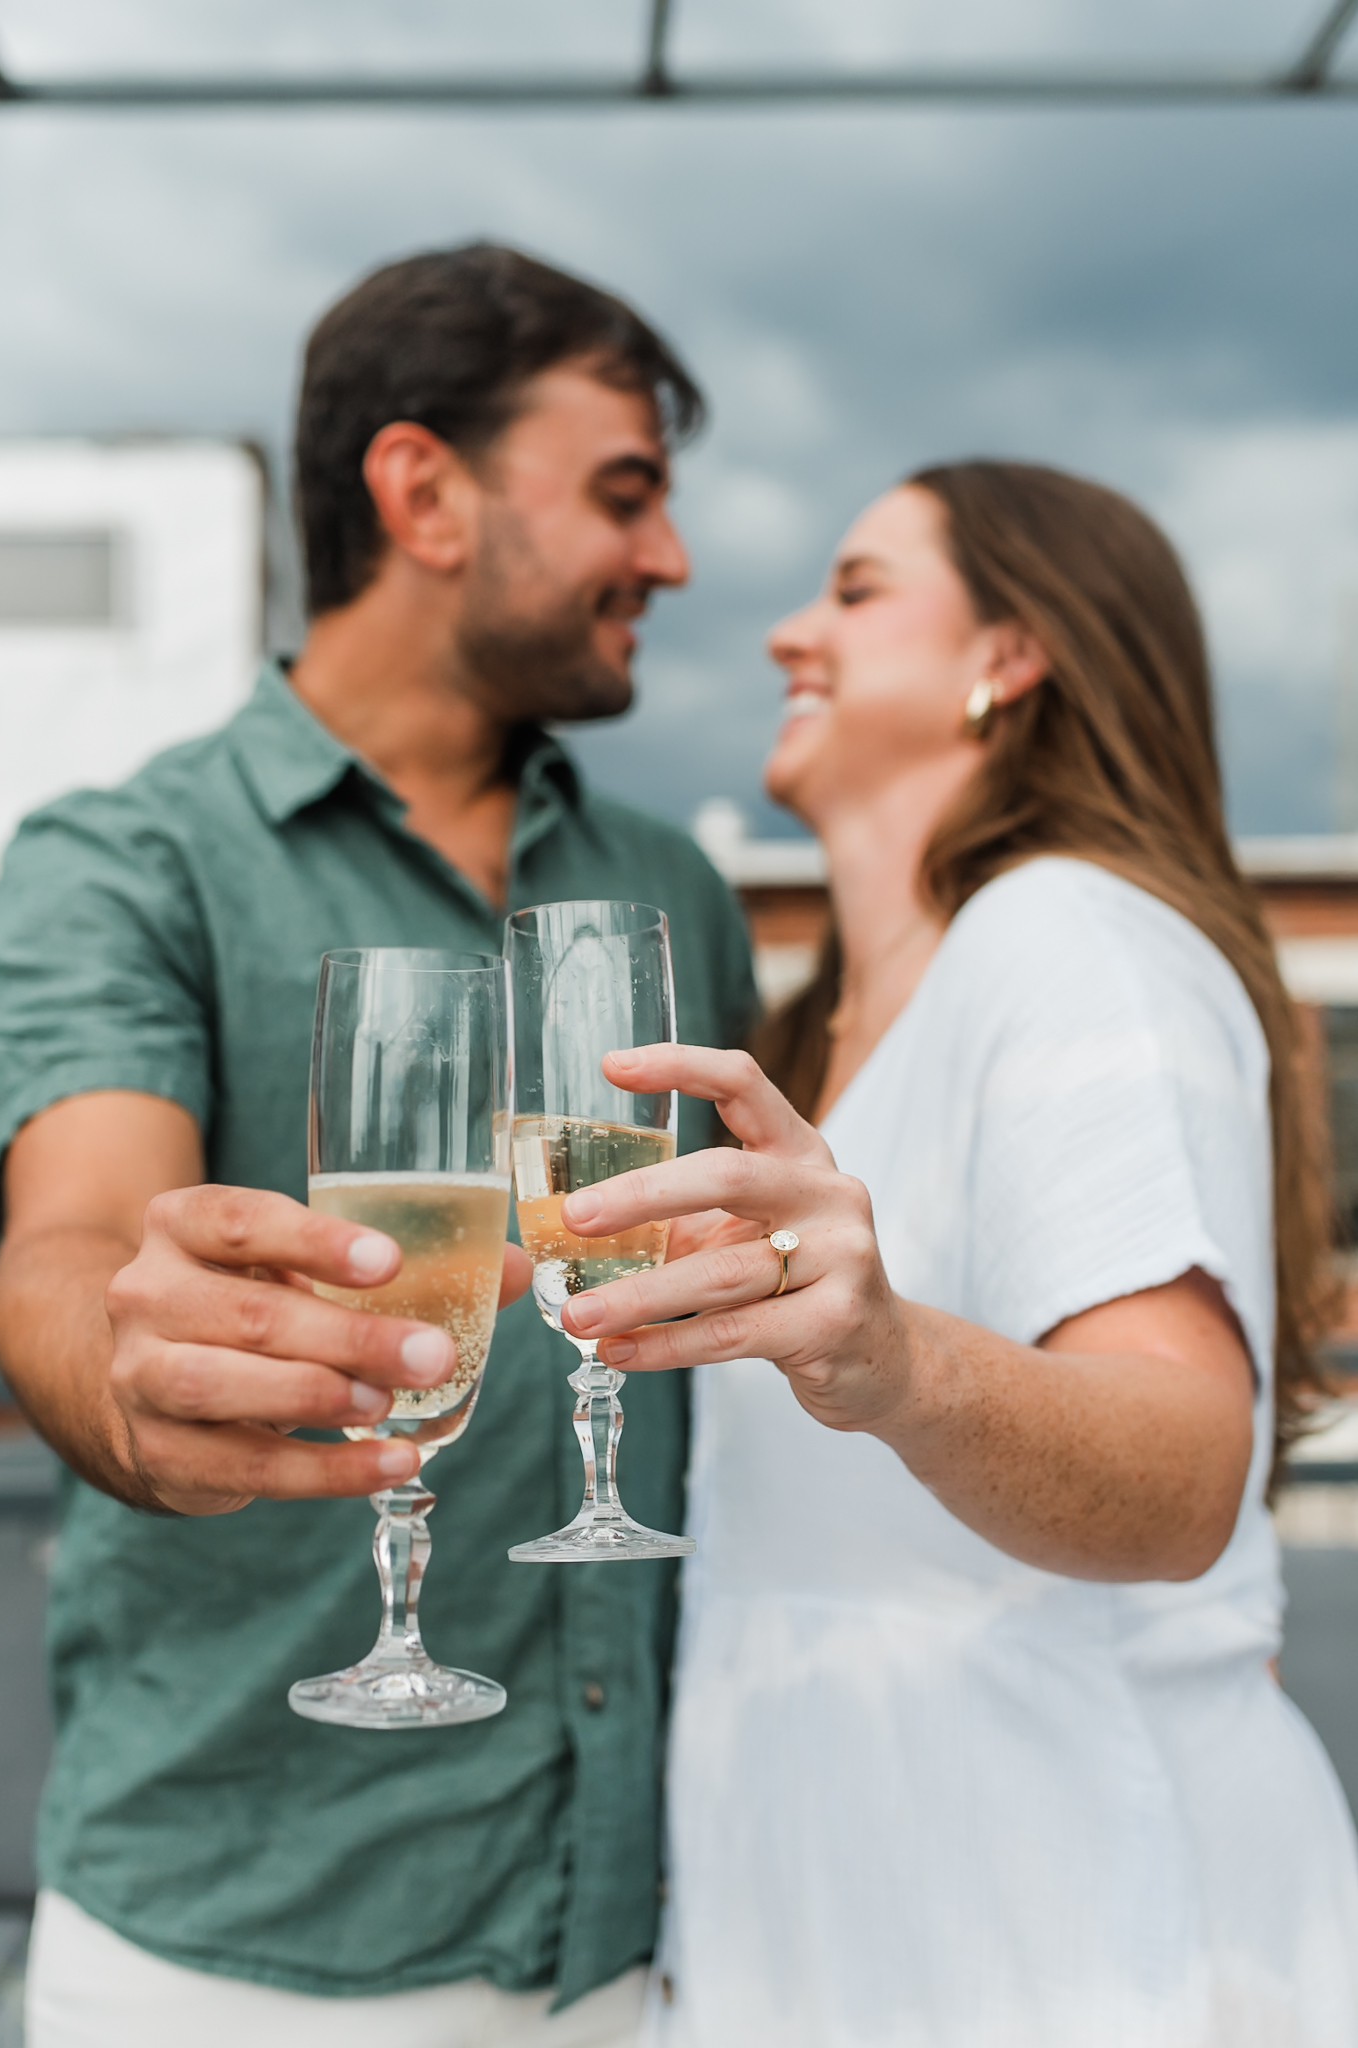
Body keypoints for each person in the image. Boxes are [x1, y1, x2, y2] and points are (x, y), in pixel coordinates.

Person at [0, 243, 756, 2048]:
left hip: (645, 1935)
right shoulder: (122, 861)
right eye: (624, 493)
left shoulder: (672, 890)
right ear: (420, 493)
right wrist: (122, 1367)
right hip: (242, 1956)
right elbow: (74, 1249)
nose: (672, 560)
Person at [554, 462, 1358, 2046]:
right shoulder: (819, 1031)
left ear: (1011, 653)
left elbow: (1189, 1467)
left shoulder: (1068, 942)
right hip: (846, 1900)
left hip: (1062, 1917)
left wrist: (893, 1359)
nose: (788, 629)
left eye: (855, 589)